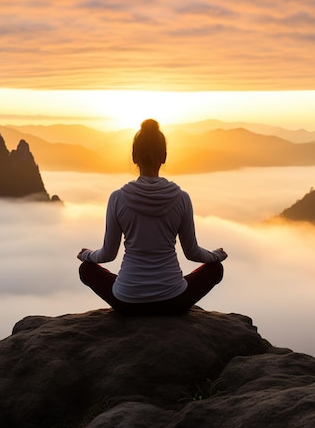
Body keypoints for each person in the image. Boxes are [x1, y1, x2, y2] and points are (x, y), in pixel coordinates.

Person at [77, 118, 227, 315]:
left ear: (134, 156)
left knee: (86, 270)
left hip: (127, 303)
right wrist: (216, 256)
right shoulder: (181, 198)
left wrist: (87, 255)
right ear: (164, 156)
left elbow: (108, 254)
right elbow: (192, 253)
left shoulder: (117, 198)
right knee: (215, 270)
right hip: (173, 301)